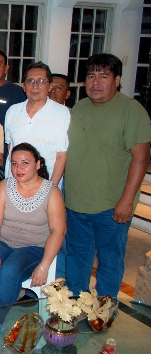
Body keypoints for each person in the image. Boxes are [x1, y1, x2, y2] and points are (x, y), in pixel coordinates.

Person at [65, 53, 151, 297]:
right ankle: (74, 306)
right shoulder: (79, 108)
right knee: (77, 260)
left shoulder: (131, 110)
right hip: (76, 204)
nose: (96, 82)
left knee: (109, 261)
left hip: (111, 207)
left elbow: (141, 158)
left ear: (117, 80)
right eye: (91, 76)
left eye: (103, 76)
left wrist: (126, 200)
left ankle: (104, 309)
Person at [0, 143, 66, 349]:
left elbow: (58, 231)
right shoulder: (5, 186)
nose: (18, 168)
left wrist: (44, 266)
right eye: (14, 164)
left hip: (33, 247)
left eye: (25, 163)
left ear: (38, 164)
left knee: (9, 271)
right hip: (3, 242)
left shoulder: (51, 192)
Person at [4, 62, 69, 188]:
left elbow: (61, 157)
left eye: (41, 81)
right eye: (30, 81)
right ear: (23, 86)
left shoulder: (61, 113)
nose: (35, 85)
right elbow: (10, 147)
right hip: (14, 186)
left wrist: (50, 190)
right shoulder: (13, 111)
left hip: (46, 185)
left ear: (50, 86)